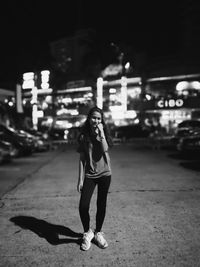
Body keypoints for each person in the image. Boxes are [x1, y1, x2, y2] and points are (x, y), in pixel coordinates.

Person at [76, 106, 113, 251]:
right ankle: (88, 232)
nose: (96, 120)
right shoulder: (84, 136)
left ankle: (98, 232)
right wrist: (80, 180)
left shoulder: (102, 134)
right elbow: (81, 159)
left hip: (105, 174)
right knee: (83, 206)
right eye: (93, 118)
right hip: (90, 175)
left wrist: (102, 132)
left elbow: (105, 149)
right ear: (89, 119)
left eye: (99, 118)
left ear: (101, 120)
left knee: (101, 204)